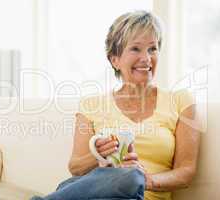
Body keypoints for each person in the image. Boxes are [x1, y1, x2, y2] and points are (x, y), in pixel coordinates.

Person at [31, 10, 200, 200]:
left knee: (130, 177)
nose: (146, 58)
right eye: (136, 49)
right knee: (80, 184)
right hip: (99, 193)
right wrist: (98, 156)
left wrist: (145, 179)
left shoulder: (180, 101)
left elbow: (186, 172)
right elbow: (76, 167)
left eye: (152, 49)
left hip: (142, 196)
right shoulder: (91, 105)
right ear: (115, 60)